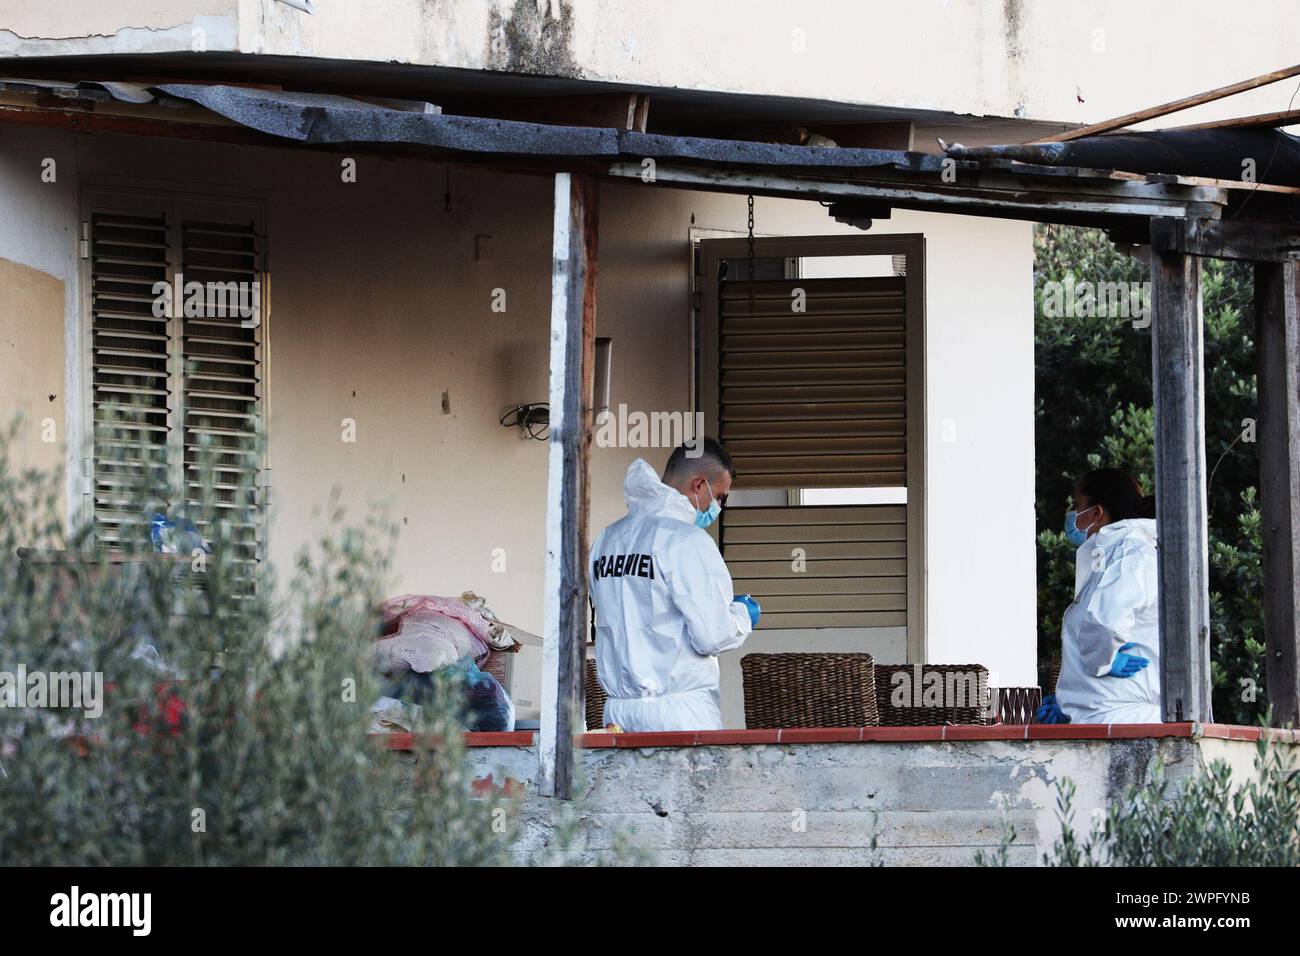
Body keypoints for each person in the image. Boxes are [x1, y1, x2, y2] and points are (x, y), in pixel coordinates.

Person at [588, 438, 761, 732]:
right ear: (699, 484)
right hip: (679, 715)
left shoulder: (607, 540)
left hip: (617, 714)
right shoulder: (687, 541)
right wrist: (742, 615)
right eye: (719, 496)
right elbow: (712, 637)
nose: (717, 506)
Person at [1038, 468, 1161, 725]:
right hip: (1102, 713)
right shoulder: (1111, 556)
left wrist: (1103, 660)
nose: (1072, 514)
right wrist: (1067, 700)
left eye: (1077, 505)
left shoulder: (1133, 553)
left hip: (1121, 718)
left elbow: (1106, 623)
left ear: (1096, 512)